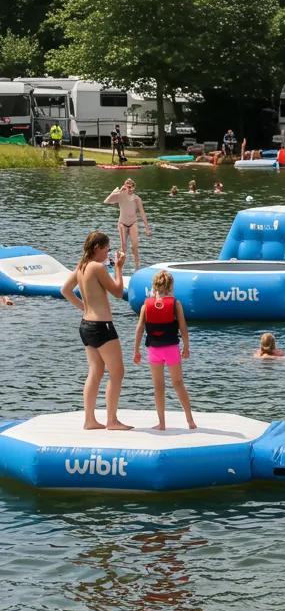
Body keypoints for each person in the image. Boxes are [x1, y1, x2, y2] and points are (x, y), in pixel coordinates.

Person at [60, 231, 132, 431]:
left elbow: (64, 290)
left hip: (86, 325)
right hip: (102, 326)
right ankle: (112, 420)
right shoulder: (97, 267)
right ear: (97, 248)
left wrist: (84, 308)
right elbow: (118, 292)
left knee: (95, 372)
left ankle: (89, 420)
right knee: (117, 372)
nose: (108, 252)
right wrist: (118, 268)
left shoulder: (81, 266)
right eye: (106, 248)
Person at [131, 270, 197, 431]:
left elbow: (139, 328)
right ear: (171, 286)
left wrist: (136, 350)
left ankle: (161, 423)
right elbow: (183, 327)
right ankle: (190, 420)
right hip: (171, 348)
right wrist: (186, 346)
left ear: (154, 287)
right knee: (178, 383)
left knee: (158, 386)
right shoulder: (175, 304)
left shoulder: (145, 305)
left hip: (154, 349)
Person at [103, 178, 151, 271]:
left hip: (133, 223)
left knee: (134, 247)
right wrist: (117, 191)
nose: (128, 188)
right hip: (122, 223)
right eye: (126, 186)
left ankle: (137, 269)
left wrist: (147, 228)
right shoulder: (120, 195)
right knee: (123, 247)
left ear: (133, 187)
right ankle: (118, 269)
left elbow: (142, 213)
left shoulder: (137, 199)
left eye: (130, 186)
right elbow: (106, 201)